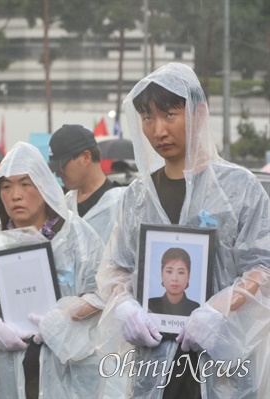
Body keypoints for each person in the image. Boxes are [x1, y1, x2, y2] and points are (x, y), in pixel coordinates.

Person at [96, 62, 269, 398]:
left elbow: (264, 267)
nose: (158, 129)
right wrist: (124, 304)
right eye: (147, 118)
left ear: (199, 113)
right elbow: (116, 268)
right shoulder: (138, 196)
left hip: (223, 369)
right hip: (153, 368)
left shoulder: (239, 188)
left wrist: (218, 309)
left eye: (169, 115)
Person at [0, 142, 106, 398]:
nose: (15, 195)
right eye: (6, 186)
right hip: (12, 369)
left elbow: (103, 292)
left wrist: (67, 316)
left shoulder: (76, 236)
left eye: (25, 184)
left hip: (70, 369)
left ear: (43, 185)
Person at [48, 124, 125, 243]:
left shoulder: (121, 204)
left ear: (86, 157)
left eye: (62, 166)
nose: (58, 174)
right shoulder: (63, 204)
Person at [148, 248, 200, 317]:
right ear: (162, 275)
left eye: (181, 272)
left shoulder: (197, 309)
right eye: (169, 271)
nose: (174, 278)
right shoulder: (150, 305)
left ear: (188, 277)